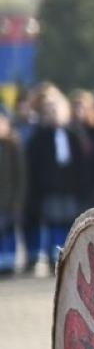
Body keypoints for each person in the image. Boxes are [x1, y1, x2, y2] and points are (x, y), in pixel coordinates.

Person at [23, 88, 94, 273]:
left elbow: (83, 163)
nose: (54, 114)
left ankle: (69, 255)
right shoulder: (39, 137)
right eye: (50, 110)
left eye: (57, 109)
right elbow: (34, 165)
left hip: (70, 187)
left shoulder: (74, 134)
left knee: (69, 221)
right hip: (49, 188)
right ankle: (52, 256)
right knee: (51, 221)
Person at [0, 112, 23, 275]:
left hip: (8, 201)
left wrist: (17, 200)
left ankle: (8, 263)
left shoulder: (13, 147)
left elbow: (21, 177)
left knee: (8, 231)